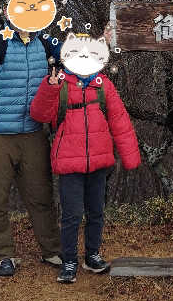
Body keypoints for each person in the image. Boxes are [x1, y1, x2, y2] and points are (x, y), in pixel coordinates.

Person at [29, 30, 141, 283]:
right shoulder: (58, 85)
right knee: (71, 214)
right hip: (69, 162)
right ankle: (69, 261)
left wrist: (130, 156)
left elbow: (120, 121)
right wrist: (50, 88)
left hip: (99, 161)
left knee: (96, 211)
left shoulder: (103, 85)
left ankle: (92, 255)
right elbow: (39, 114)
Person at [0, 9, 64, 276]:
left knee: (41, 197)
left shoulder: (45, 42)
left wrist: (102, 42)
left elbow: (73, 56)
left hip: (33, 133)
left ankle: (52, 251)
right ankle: (3, 255)